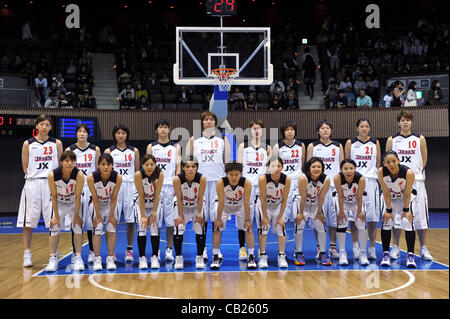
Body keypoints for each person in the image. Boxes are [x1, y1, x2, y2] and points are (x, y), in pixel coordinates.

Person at [385, 110, 433, 261]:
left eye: (408, 120)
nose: (405, 122)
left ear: (412, 122)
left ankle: (423, 248)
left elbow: (423, 161)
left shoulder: (420, 139)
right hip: (397, 182)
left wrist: (413, 174)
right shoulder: (392, 139)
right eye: (402, 120)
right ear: (398, 123)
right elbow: (388, 161)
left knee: (420, 217)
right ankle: (395, 247)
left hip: (417, 181)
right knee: (397, 215)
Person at [17, 115, 63, 268]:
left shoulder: (57, 143)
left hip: (51, 184)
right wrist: (33, 176)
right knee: (28, 221)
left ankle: (52, 256)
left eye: (47, 124)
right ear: (36, 126)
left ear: (50, 127)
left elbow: (61, 166)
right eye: (41, 124)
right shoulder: (28, 144)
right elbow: (25, 167)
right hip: (33, 183)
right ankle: (26, 253)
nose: (44, 127)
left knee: (53, 220)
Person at [188, 111, 230, 261]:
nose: (209, 122)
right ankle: (203, 248)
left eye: (211, 119)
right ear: (202, 123)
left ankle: (216, 250)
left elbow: (227, 164)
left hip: (218, 183)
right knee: (201, 218)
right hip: (201, 183)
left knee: (217, 217)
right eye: (206, 120)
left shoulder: (222, 140)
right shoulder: (194, 140)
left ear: (215, 123)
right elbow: (188, 163)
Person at [345, 118, 381, 261]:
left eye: (367, 126)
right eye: (361, 126)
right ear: (357, 128)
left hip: (371, 181)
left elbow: (377, 163)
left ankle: (371, 247)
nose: (364, 128)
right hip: (355, 181)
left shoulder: (375, 142)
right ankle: (356, 247)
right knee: (354, 217)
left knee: (372, 218)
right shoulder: (350, 143)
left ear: (369, 128)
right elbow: (347, 163)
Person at [307, 120, 344, 259]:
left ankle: (333, 246)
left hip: (333, 186)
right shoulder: (312, 146)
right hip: (317, 186)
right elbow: (308, 167)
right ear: (318, 131)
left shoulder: (338, 146)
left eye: (328, 128)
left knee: (333, 219)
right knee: (317, 218)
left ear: (331, 130)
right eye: (322, 128)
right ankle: (319, 246)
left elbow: (342, 167)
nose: (325, 130)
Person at [146, 119, 181, 263]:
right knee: (156, 220)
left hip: (170, 186)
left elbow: (178, 167)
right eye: (161, 127)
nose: (163, 130)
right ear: (157, 130)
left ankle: (169, 248)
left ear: (169, 129)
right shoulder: (151, 147)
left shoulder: (176, 147)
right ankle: (157, 251)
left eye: (166, 127)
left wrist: (176, 185)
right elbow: (147, 167)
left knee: (170, 221)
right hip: (155, 185)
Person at [210, 162, 257, 270]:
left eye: (237, 174)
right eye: (231, 174)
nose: (234, 177)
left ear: (241, 174)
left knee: (248, 228)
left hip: (240, 205)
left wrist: (248, 219)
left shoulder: (246, 183)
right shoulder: (221, 182)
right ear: (226, 174)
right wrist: (218, 219)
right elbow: (221, 202)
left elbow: (246, 202)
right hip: (225, 206)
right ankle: (215, 256)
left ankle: (251, 256)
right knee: (217, 228)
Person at [105, 124, 140, 263]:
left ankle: (129, 249)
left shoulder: (134, 151)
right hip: (114, 186)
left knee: (131, 220)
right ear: (114, 134)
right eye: (118, 133)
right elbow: (105, 170)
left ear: (127, 135)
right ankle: (111, 252)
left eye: (123, 133)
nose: (121, 135)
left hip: (130, 186)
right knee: (111, 219)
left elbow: (137, 171)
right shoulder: (109, 151)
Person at [66, 124, 101, 264]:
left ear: (88, 134)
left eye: (84, 132)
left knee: (91, 221)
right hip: (76, 188)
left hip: (90, 187)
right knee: (77, 221)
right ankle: (76, 253)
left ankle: (92, 252)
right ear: (76, 134)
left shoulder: (95, 149)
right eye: (79, 131)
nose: (82, 134)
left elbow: (98, 170)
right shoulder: (70, 150)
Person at [237, 120, 271, 261]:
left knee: (260, 218)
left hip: (261, 187)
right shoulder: (242, 147)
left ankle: (260, 250)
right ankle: (242, 248)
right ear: (249, 131)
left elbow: (269, 169)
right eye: (253, 128)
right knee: (243, 218)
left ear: (262, 131)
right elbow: (238, 168)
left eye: (259, 128)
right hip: (247, 186)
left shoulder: (267, 148)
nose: (256, 131)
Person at [46, 151, 85, 272]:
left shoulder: (79, 174)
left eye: (72, 161)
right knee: (54, 226)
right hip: (60, 202)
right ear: (61, 162)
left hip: (74, 202)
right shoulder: (53, 175)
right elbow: (53, 195)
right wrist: (56, 217)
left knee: (77, 226)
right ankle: (53, 257)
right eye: (66, 161)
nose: (69, 163)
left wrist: (76, 216)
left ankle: (77, 256)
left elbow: (78, 196)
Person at [378, 151, 417, 268]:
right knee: (387, 222)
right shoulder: (381, 172)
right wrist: (388, 211)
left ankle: (410, 256)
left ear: (398, 161)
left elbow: (407, 193)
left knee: (407, 221)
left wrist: (406, 210)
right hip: (389, 197)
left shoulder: (408, 173)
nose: (391, 164)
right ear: (384, 163)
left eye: (394, 161)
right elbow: (385, 192)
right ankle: (386, 254)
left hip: (404, 198)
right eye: (388, 162)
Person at [293, 157, 332, 266]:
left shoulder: (326, 179)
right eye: (313, 166)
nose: (316, 169)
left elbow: (322, 196)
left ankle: (323, 252)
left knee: (321, 225)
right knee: (300, 224)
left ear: (322, 168)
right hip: (300, 202)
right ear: (308, 168)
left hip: (315, 202)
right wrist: (300, 213)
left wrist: (319, 212)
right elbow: (303, 197)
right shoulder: (303, 178)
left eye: (319, 167)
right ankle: (298, 253)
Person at [87, 153, 123, 270]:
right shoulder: (91, 177)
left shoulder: (118, 177)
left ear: (112, 165)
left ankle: (110, 257)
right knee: (97, 229)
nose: (106, 167)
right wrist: (98, 216)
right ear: (98, 165)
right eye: (103, 164)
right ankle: (97, 258)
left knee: (111, 228)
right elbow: (95, 198)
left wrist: (111, 215)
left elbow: (114, 197)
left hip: (110, 203)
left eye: (108, 164)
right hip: (97, 204)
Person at [172, 156, 208, 269]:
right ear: (183, 168)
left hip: (197, 205)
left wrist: (198, 214)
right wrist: (181, 216)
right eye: (187, 166)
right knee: (179, 228)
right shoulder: (177, 179)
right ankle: (178, 257)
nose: (190, 169)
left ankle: (200, 257)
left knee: (199, 226)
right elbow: (179, 198)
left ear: (197, 167)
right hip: (182, 206)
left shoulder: (202, 178)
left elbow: (201, 197)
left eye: (193, 166)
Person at [256, 157, 291, 268]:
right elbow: (262, 199)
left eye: (278, 166)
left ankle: (281, 255)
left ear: (282, 167)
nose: (276, 169)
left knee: (281, 228)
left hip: (278, 204)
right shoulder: (263, 179)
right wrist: (265, 217)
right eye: (272, 166)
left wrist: (280, 217)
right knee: (264, 228)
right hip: (264, 205)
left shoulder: (287, 179)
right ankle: (262, 255)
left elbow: (284, 199)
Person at [333, 159, 369, 266]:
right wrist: (341, 211)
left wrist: (359, 211)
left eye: (351, 168)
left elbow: (359, 196)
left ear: (355, 169)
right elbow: (340, 195)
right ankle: (342, 253)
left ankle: (363, 254)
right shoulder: (337, 178)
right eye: (345, 169)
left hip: (356, 201)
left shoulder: (361, 179)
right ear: (341, 170)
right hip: (343, 201)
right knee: (342, 223)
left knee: (361, 223)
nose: (348, 171)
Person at [272, 121, 305, 233]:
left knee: (298, 214)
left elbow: (302, 162)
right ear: (283, 132)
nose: (290, 132)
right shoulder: (278, 146)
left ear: (295, 131)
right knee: (282, 211)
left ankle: (298, 248)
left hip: (298, 181)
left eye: (292, 129)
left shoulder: (301, 145)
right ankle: (281, 244)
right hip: (284, 181)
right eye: (287, 130)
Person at [134, 154, 164, 269]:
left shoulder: (160, 174)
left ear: (155, 165)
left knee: (154, 227)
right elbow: (141, 196)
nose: (150, 167)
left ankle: (155, 256)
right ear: (142, 165)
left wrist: (153, 214)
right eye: (147, 164)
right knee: (142, 227)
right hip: (141, 204)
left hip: (154, 204)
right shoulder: (138, 175)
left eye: (152, 164)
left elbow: (157, 195)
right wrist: (143, 216)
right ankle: (142, 258)